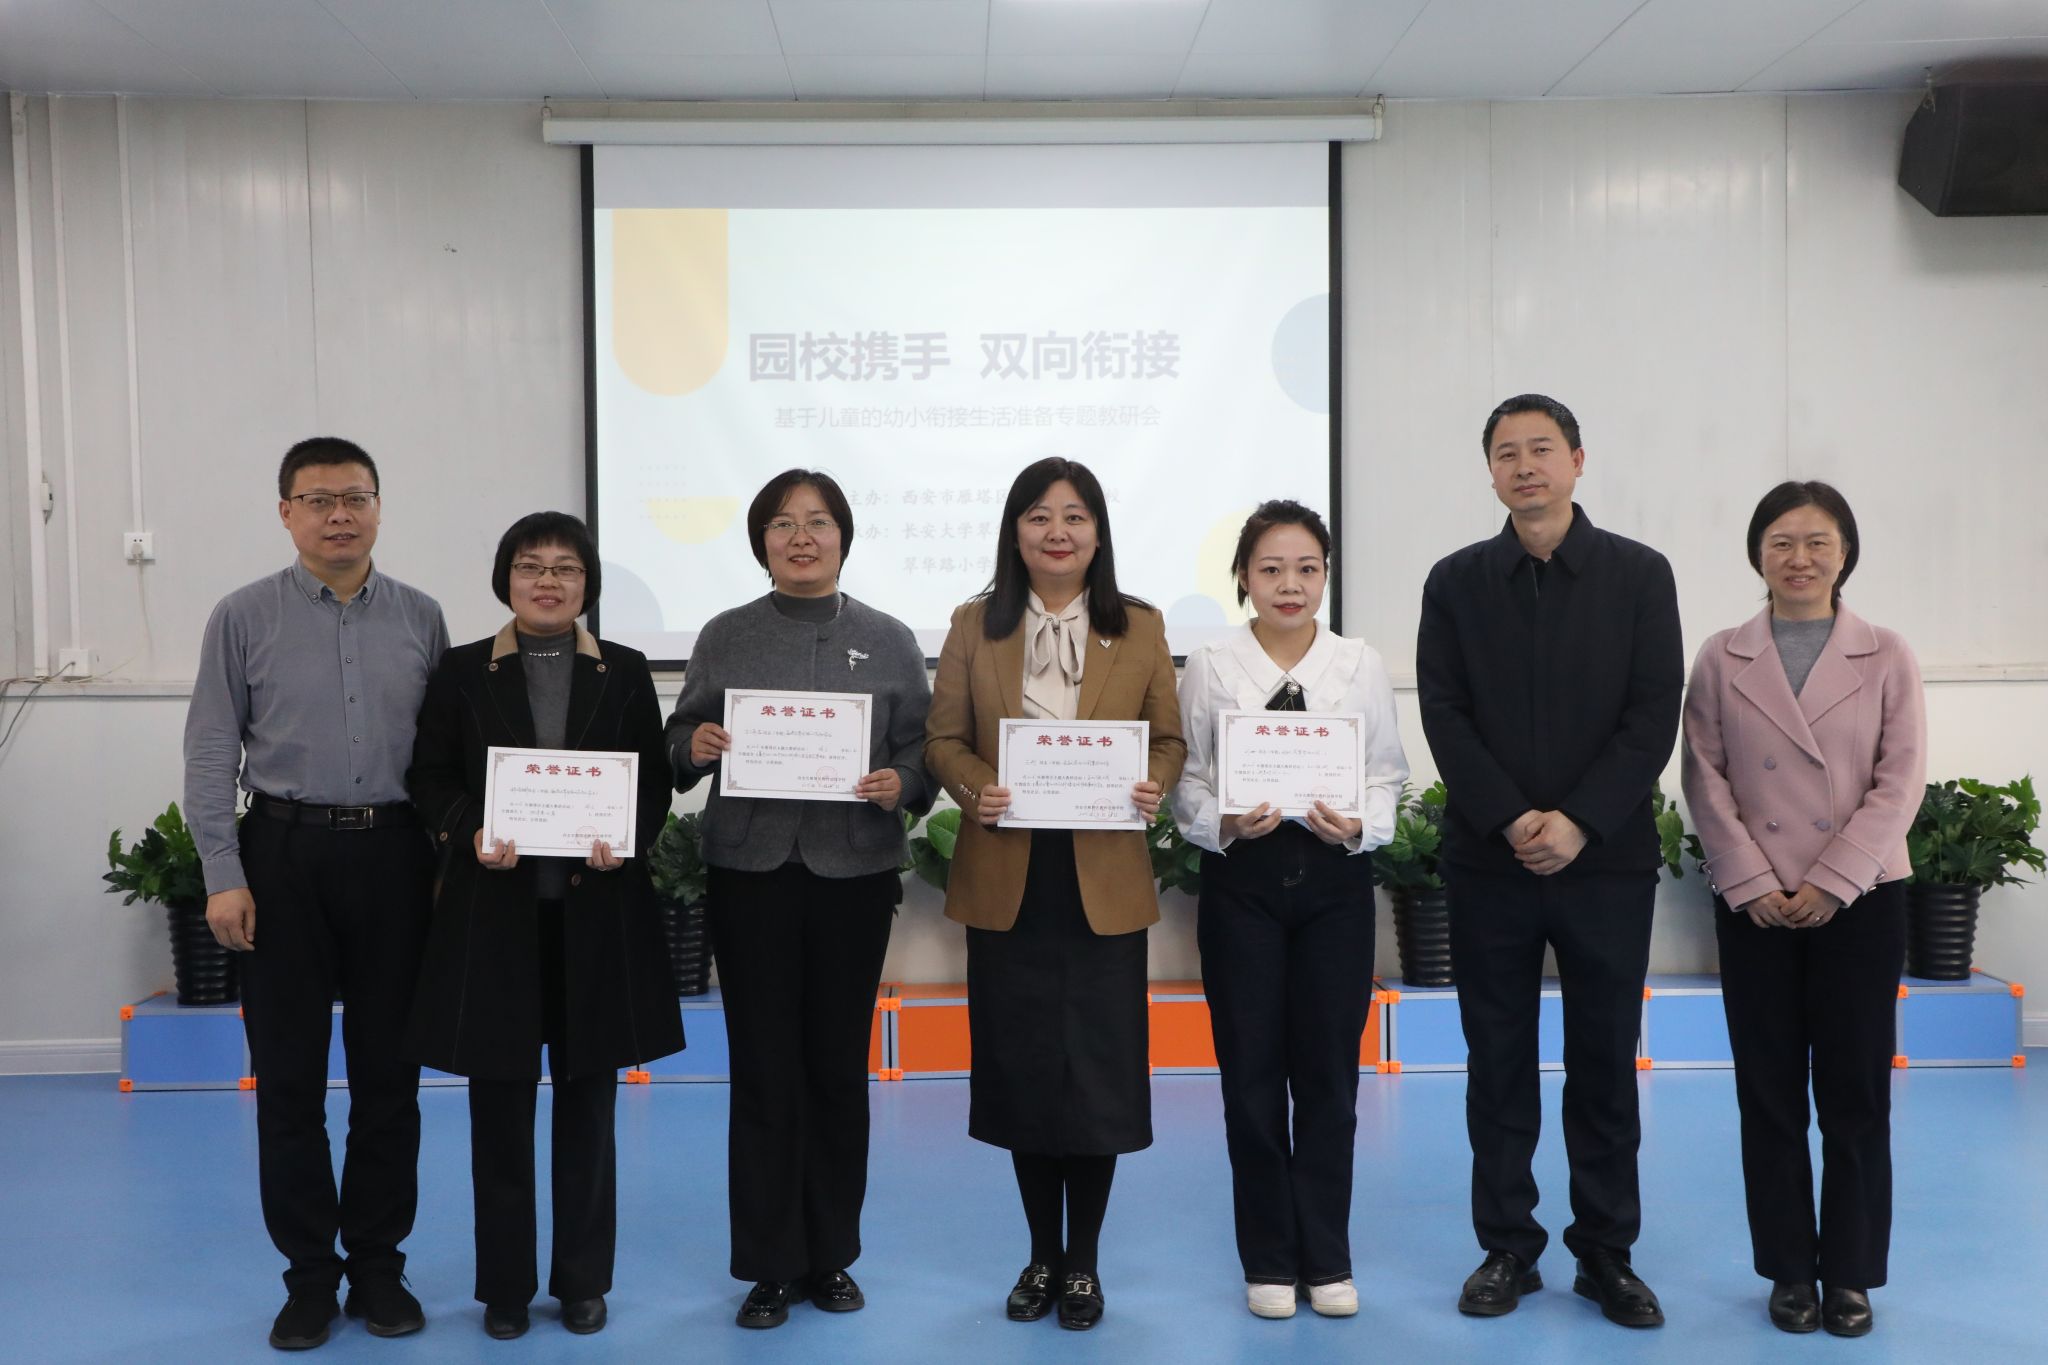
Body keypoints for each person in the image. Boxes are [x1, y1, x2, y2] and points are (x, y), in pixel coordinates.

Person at [1415, 395, 1682, 1329]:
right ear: (1490, 471)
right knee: (1497, 1061)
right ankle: (1507, 1246)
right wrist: (1510, 817)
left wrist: (1579, 820)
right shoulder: (1455, 581)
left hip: (1605, 863)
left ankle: (1606, 1251)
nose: (1524, 465)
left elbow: (1653, 710)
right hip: (1490, 864)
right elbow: (1443, 712)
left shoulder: (1639, 574)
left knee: (1604, 1059)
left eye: (1541, 449)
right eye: (1506, 452)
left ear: (1577, 459)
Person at [183, 437, 449, 1350]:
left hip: (396, 857)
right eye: (319, 499)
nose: (340, 514)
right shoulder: (242, 615)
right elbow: (211, 749)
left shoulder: (421, 616)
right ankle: (307, 1276)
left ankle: (378, 1265)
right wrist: (223, 872)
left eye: (356, 497)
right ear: (286, 512)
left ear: (378, 506)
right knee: (289, 1081)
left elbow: (445, 755)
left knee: (390, 1079)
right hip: (282, 857)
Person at [405, 512, 685, 1340]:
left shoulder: (624, 670)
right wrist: (471, 829)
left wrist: (625, 837)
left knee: (589, 1106)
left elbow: (652, 782)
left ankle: (583, 1281)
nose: (549, 581)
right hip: (496, 920)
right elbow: (430, 775)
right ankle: (505, 1286)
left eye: (566, 567)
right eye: (531, 566)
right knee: (499, 1108)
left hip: (595, 919)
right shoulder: (462, 670)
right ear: (507, 579)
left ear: (587, 583)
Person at [665, 469, 932, 1329]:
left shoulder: (888, 638)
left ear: (843, 536)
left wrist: (902, 783)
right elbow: (678, 734)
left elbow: (921, 750)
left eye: (818, 522)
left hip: (852, 873)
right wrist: (695, 744)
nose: (801, 536)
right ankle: (769, 1263)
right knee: (764, 1068)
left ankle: (831, 1254)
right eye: (782, 523)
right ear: (762, 542)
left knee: (836, 1068)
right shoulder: (727, 633)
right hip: (751, 871)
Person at [924, 457, 1186, 1332]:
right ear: (1016, 532)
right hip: (1010, 876)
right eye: (1039, 515)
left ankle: (1085, 1262)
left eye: (1075, 516)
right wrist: (977, 789)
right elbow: (942, 739)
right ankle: (1040, 1252)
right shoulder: (974, 624)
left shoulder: (1140, 627)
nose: (1057, 531)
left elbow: (1168, 740)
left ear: (1098, 533)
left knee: (1098, 1078)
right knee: (1025, 1071)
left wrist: (1151, 784)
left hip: (1102, 880)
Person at [1681, 482, 1924, 1339]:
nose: (1800, 557)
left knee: (1856, 1094)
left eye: (1818, 541)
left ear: (1846, 552)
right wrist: (1751, 880)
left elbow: (1900, 779)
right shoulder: (1721, 655)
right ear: (1757, 553)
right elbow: (1703, 774)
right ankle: (1789, 1268)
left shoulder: (1886, 652)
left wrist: (1833, 879)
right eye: (1781, 541)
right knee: (1770, 1094)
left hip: (1860, 898)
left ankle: (1850, 1271)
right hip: (1757, 905)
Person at [1172, 500, 1408, 1320]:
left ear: (1326, 575)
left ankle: (1328, 1257)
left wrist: (1362, 824)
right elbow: (1188, 780)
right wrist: (1223, 820)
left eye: (1307, 568)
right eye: (1270, 568)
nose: (1290, 584)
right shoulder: (1211, 662)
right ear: (1242, 576)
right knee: (1250, 1075)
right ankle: (1269, 1258)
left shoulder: (1358, 662)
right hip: (1243, 882)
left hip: (1336, 881)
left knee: (1330, 1078)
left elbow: (1387, 772)